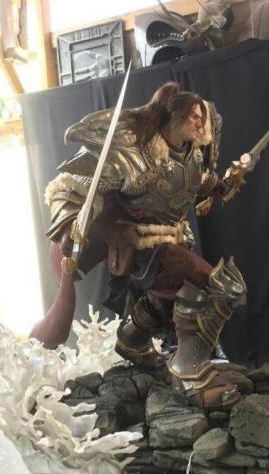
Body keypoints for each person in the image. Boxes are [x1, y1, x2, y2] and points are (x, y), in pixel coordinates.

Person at [31, 82, 247, 412]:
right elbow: (70, 186)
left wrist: (222, 184)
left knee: (169, 296)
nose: (198, 122)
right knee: (215, 286)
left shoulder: (191, 155)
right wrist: (69, 224)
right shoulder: (135, 151)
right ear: (173, 116)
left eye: (200, 117)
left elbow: (197, 183)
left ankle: (132, 339)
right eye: (192, 115)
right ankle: (189, 373)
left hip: (173, 239)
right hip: (140, 244)